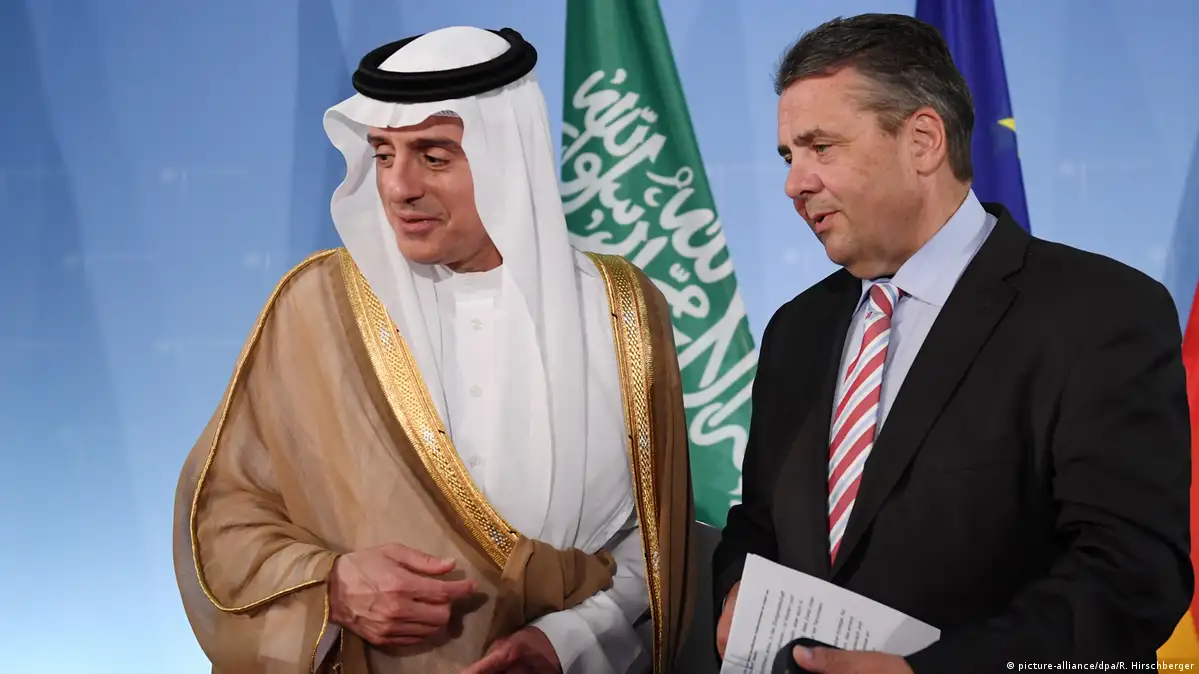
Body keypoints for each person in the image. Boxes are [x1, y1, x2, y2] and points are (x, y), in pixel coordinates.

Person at [172, 26, 696, 674]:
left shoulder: (622, 312)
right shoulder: (315, 309)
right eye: (383, 155)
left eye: (434, 157)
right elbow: (225, 515)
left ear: (509, 157)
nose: (398, 187)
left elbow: (655, 539)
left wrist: (569, 641)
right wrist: (332, 584)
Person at [712, 13, 1192, 674]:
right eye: (788, 156)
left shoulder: (1099, 312)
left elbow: (1130, 575)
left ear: (922, 141)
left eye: (820, 147)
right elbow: (759, 523)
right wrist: (735, 592)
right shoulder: (797, 329)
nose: (794, 183)